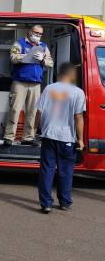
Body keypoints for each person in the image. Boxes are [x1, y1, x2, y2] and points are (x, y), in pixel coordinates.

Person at [35, 62, 85, 214]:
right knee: (65, 171)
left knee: (47, 170)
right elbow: (78, 117)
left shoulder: (49, 88)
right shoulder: (78, 92)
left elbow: (39, 112)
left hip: (49, 135)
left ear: (59, 73)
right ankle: (64, 201)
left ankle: (46, 204)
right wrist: (80, 139)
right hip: (67, 138)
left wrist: (37, 129)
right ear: (71, 75)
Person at [3, 25, 53, 147]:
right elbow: (13, 58)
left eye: (40, 34)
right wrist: (27, 56)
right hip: (20, 82)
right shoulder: (19, 43)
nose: (38, 35)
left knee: (33, 112)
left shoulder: (43, 46)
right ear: (30, 32)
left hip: (36, 84)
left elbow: (50, 62)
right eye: (36, 32)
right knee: (15, 109)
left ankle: (28, 137)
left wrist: (42, 60)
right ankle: (9, 137)